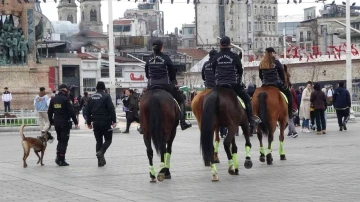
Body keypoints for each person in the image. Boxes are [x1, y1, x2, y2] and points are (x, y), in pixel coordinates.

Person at [138, 39, 192, 134]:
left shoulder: (149, 59)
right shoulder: (166, 58)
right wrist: (171, 81)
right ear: (162, 47)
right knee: (181, 100)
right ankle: (183, 122)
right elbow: (172, 72)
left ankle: (142, 125)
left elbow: (147, 74)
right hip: (165, 85)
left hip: (151, 85)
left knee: (142, 103)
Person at [212, 36, 260, 131]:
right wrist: (238, 80)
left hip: (219, 85)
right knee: (247, 99)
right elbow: (240, 70)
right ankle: (251, 119)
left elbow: (214, 70)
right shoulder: (234, 56)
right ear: (230, 45)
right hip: (233, 85)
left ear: (220, 45)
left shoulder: (215, 57)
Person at [86, 81, 117, 167]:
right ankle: (101, 152)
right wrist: (114, 121)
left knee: (98, 141)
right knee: (108, 140)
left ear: (96, 87)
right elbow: (111, 109)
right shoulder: (106, 96)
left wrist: (88, 122)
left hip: (95, 121)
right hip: (105, 121)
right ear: (104, 88)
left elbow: (87, 110)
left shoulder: (91, 97)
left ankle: (100, 161)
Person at [258, 47, 294, 119]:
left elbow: (260, 75)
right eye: (274, 53)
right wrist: (283, 83)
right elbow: (281, 73)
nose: (275, 54)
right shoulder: (276, 62)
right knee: (289, 95)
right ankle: (290, 113)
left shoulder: (261, 63)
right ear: (272, 53)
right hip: (276, 83)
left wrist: (264, 81)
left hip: (265, 84)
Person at [48, 84, 78, 166]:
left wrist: (51, 121)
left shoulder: (53, 99)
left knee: (60, 140)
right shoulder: (66, 99)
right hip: (64, 122)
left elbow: (49, 112)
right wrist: (76, 122)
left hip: (57, 122)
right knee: (64, 141)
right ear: (64, 90)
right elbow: (71, 112)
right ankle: (61, 159)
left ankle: (58, 157)